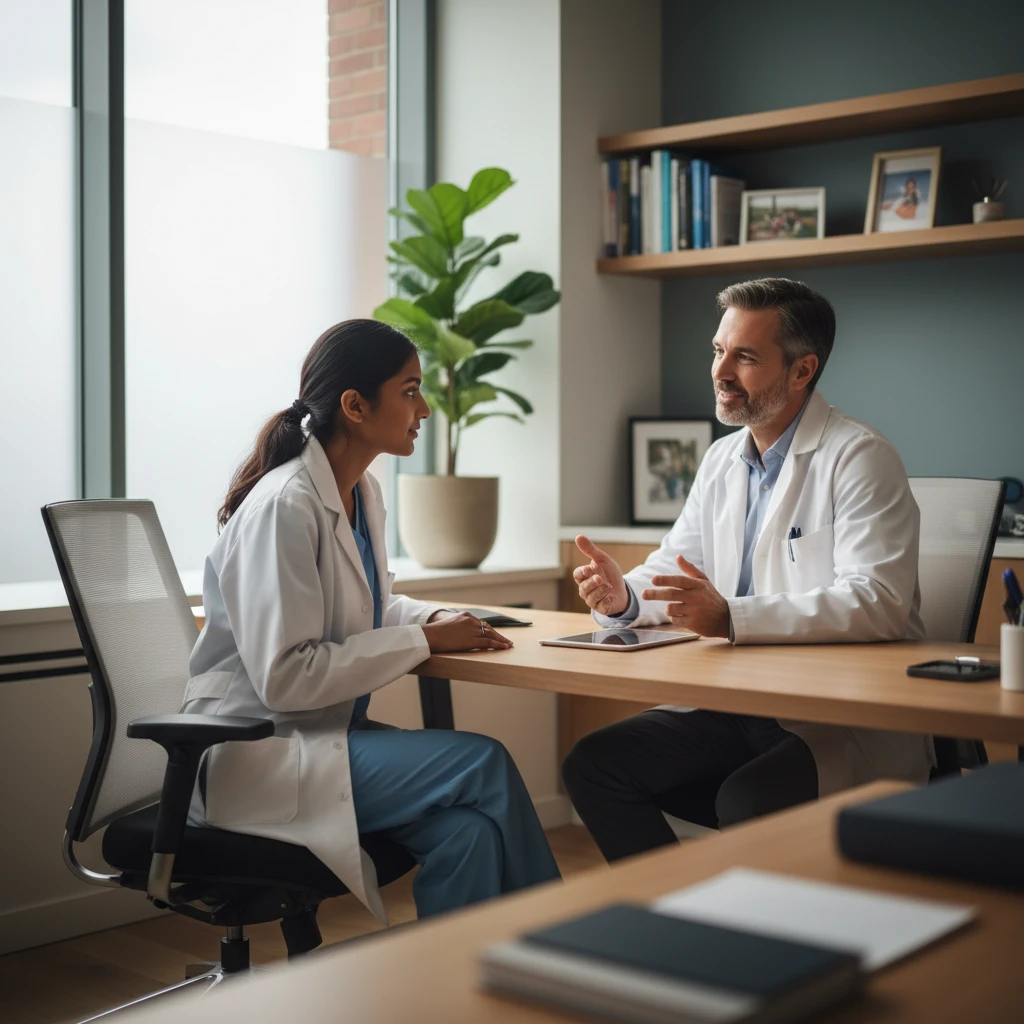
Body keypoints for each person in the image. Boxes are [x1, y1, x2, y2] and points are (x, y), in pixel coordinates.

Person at [182, 319, 560, 922]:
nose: (426, 408)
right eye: (410, 390)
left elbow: (370, 605)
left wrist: (438, 617)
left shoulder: (364, 493)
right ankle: (563, 947)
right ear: (355, 406)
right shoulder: (286, 506)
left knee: (469, 835)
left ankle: (468, 996)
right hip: (256, 751)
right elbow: (286, 678)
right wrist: (422, 639)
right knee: (482, 762)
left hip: (322, 737)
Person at [562, 277, 930, 863]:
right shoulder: (721, 460)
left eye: (745, 357)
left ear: (803, 370)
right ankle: (675, 923)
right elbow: (677, 568)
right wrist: (622, 598)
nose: (720, 371)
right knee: (595, 766)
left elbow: (877, 600)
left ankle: (756, 939)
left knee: (746, 801)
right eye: (717, 351)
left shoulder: (860, 457)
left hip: (826, 716)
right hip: (737, 703)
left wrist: (732, 615)